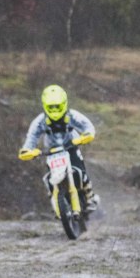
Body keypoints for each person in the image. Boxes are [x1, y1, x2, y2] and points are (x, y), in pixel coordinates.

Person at [17, 84, 100, 212]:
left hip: (71, 146)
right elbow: (32, 136)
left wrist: (87, 135)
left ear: (64, 104)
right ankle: (54, 197)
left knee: (80, 171)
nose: (55, 110)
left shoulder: (72, 115)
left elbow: (87, 126)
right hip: (51, 152)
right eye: (51, 107)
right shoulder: (40, 121)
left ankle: (90, 197)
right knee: (49, 177)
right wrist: (27, 150)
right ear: (45, 106)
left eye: (58, 106)